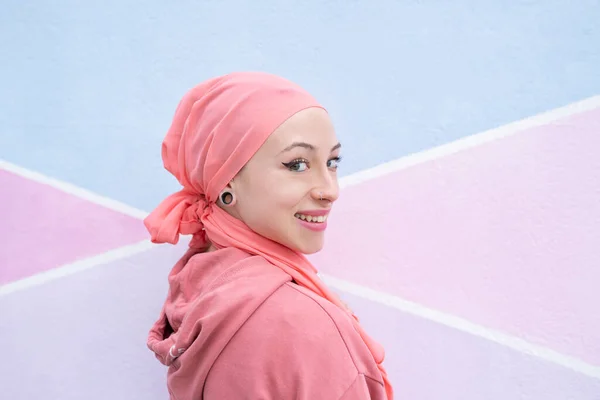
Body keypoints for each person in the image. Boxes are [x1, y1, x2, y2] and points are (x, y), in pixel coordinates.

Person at [144, 71, 393, 399]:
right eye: (297, 164)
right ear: (227, 180)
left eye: (332, 162)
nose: (329, 190)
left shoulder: (198, 286)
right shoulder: (304, 326)